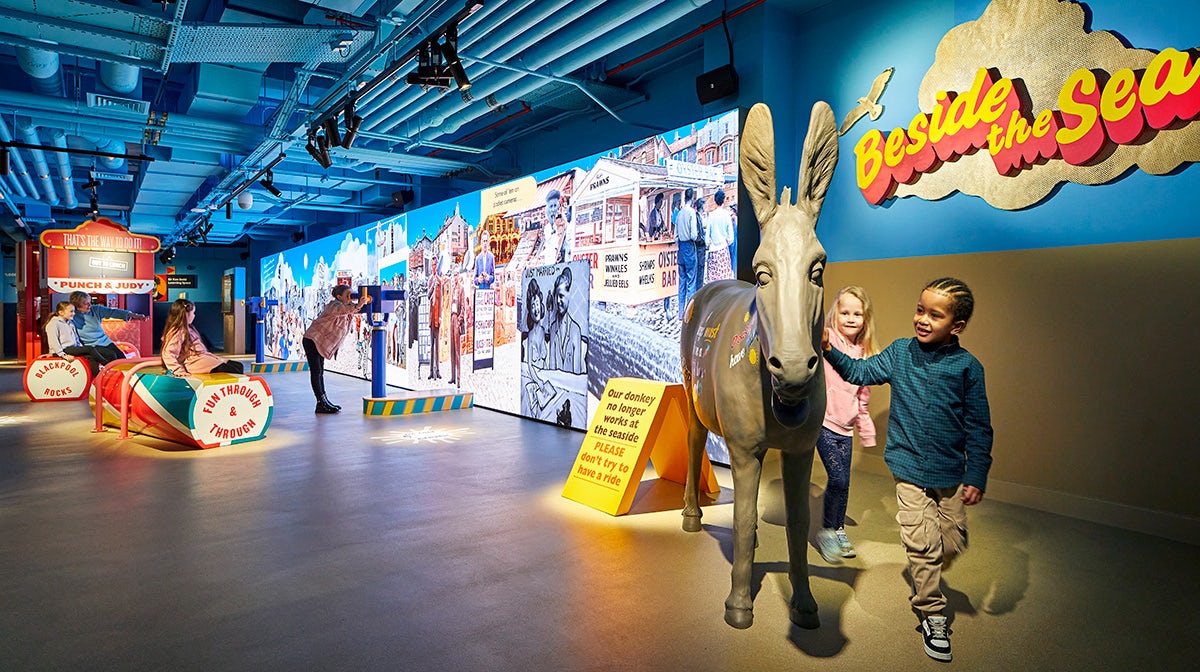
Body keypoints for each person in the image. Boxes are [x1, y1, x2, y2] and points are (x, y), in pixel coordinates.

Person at [823, 277, 993, 663]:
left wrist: (976, 474)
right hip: (907, 468)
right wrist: (830, 349)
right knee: (922, 545)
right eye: (920, 310)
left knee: (952, 542)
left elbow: (980, 427)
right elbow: (859, 372)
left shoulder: (968, 368)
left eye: (935, 315)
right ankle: (932, 612)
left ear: (957, 326)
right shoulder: (900, 353)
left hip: (950, 473)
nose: (923, 319)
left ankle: (929, 565)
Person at [813, 286, 879, 564]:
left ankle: (838, 529)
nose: (850, 319)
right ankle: (826, 532)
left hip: (846, 428)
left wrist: (865, 427)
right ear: (834, 314)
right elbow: (817, 336)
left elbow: (862, 396)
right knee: (837, 479)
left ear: (865, 319)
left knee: (844, 483)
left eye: (857, 314)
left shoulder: (864, 352)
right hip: (824, 424)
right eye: (844, 312)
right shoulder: (831, 342)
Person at [302, 285, 371, 414]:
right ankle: (321, 402)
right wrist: (358, 304)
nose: (351, 298)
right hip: (312, 340)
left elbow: (351, 310)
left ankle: (323, 401)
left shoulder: (347, 310)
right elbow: (343, 310)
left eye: (352, 295)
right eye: (348, 295)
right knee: (316, 372)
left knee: (320, 372)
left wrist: (362, 303)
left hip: (318, 342)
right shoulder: (334, 306)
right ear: (339, 297)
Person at [160, 298, 244, 376]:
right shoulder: (178, 331)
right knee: (233, 369)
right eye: (193, 313)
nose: (194, 315)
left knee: (238, 366)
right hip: (194, 363)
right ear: (185, 314)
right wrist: (179, 371)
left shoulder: (189, 328)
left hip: (201, 359)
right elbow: (168, 353)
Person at [69, 291, 148, 362]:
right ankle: (110, 377)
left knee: (122, 359)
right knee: (111, 356)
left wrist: (136, 316)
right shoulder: (72, 316)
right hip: (91, 346)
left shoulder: (96, 310)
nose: (90, 305)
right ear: (78, 306)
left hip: (106, 342)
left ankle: (124, 377)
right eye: (86, 303)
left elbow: (113, 312)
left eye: (90, 302)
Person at [44, 301, 103, 378]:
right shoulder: (54, 324)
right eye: (71, 311)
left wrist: (81, 348)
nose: (74, 313)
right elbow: (53, 342)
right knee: (90, 349)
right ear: (61, 312)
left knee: (91, 356)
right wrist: (63, 355)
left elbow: (76, 339)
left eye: (74, 311)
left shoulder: (70, 323)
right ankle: (106, 364)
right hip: (63, 350)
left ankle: (96, 377)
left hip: (72, 348)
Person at [546, 266, 584, 374]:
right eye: (556, 296)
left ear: (569, 295)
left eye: (561, 296)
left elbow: (577, 371)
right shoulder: (553, 328)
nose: (558, 301)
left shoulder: (575, 329)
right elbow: (552, 366)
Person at [674, 187, 701, 317]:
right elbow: (694, 235)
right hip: (690, 248)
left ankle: (680, 312)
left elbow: (675, 236)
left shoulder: (679, 213)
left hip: (680, 248)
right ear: (693, 198)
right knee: (691, 281)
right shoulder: (691, 213)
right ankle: (689, 312)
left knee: (682, 281)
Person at [704, 189, 735, 283]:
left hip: (713, 250)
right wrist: (726, 242)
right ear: (724, 200)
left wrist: (709, 244)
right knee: (724, 280)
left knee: (713, 282)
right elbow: (731, 238)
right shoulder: (726, 215)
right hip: (723, 250)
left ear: (714, 200)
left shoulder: (711, 215)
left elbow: (707, 237)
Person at [427, 256, 443, 380]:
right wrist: (432, 286)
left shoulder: (440, 280)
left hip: (437, 315)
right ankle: (430, 371)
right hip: (431, 316)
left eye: (435, 265)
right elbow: (428, 295)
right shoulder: (430, 280)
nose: (434, 267)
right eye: (432, 265)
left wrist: (441, 316)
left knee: (437, 344)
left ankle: (437, 371)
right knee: (431, 344)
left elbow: (441, 299)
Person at [448, 271, 464, 387]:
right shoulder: (453, 289)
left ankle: (458, 378)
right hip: (452, 317)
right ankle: (452, 376)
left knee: (457, 350)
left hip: (457, 318)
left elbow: (463, 306)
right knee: (452, 349)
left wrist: (459, 320)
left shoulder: (461, 289)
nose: (455, 277)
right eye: (453, 275)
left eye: (456, 275)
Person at [693, 196, 708, 285]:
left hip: (700, 249)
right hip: (699, 249)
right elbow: (698, 236)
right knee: (700, 271)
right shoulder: (697, 217)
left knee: (700, 271)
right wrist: (704, 240)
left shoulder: (698, 216)